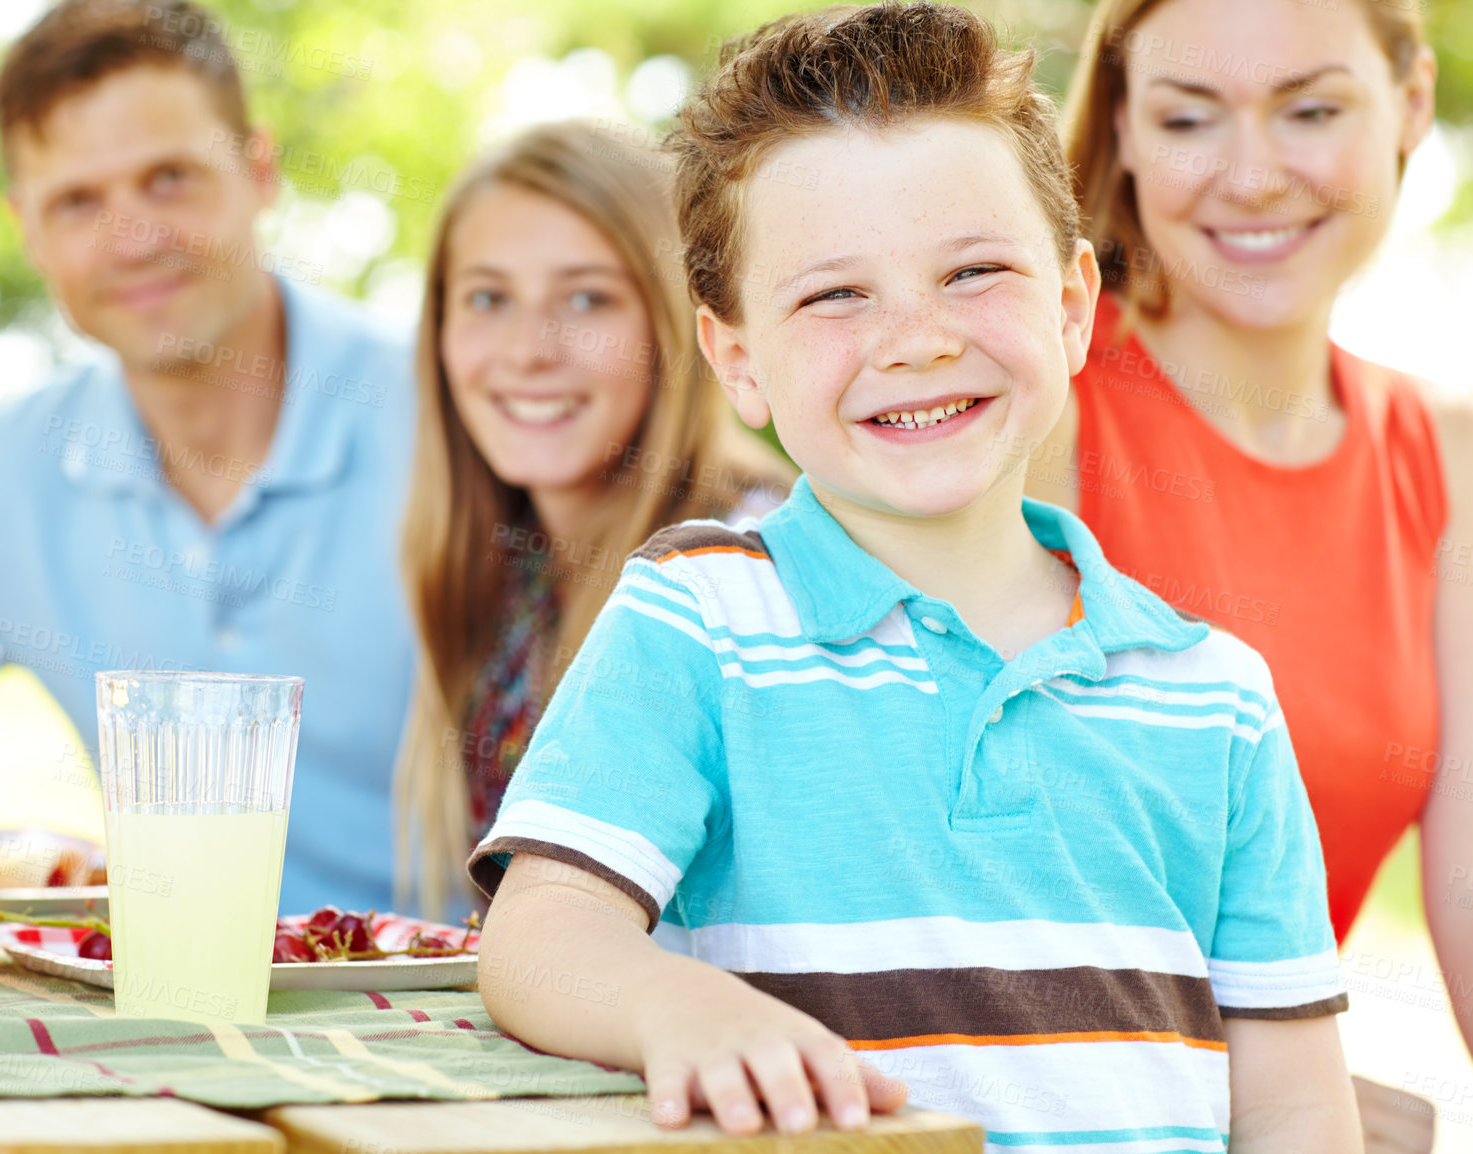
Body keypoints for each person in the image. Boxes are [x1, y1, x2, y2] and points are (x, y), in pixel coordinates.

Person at [466, 4, 1360, 1148]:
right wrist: (676, 1006)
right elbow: (539, 934)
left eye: (974, 271)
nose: (917, 339)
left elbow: (1291, 1102)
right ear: (736, 357)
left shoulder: (1215, 693)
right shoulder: (701, 620)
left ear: (1073, 304)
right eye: (835, 294)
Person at [0, 0, 415, 914]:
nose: (133, 239)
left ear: (259, 172)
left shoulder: (449, 416)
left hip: (462, 999)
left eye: (170, 178)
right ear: (27, 228)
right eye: (79, 201)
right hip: (159, 994)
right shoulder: (2, 465)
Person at [1050, 0, 1471, 1140]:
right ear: (1126, 131)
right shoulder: (1033, 413)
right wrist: (1252, 1087)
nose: (1251, 175)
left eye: (1310, 110)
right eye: (1190, 119)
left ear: (1411, 104)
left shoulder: (1448, 455)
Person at [394, 122, 791, 919]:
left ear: (678, 326)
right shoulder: (505, 568)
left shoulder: (757, 567)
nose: (529, 350)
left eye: (586, 298)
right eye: (487, 298)